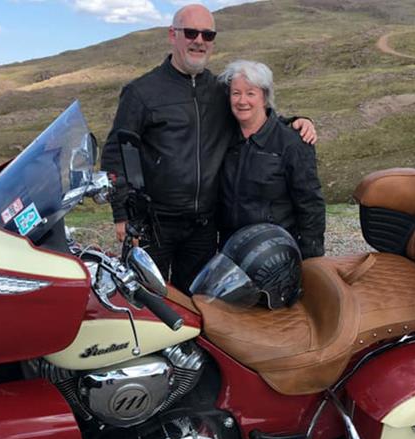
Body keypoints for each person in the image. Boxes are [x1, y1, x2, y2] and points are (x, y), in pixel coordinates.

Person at [100, 3, 316, 293]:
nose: (199, 41)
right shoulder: (141, 92)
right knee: (146, 299)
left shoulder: (219, 90)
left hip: (204, 228)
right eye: (190, 33)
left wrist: (295, 122)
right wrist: (122, 213)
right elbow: (117, 152)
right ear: (172, 35)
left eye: (207, 35)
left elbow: (252, 111)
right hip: (154, 224)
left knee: (198, 302)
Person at [217, 60, 325, 259]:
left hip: (274, 251)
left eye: (250, 93)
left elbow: (310, 204)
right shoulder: (223, 137)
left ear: (265, 97)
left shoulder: (292, 142)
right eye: (236, 93)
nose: (242, 101)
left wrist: (311, 259)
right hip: (230, 251)